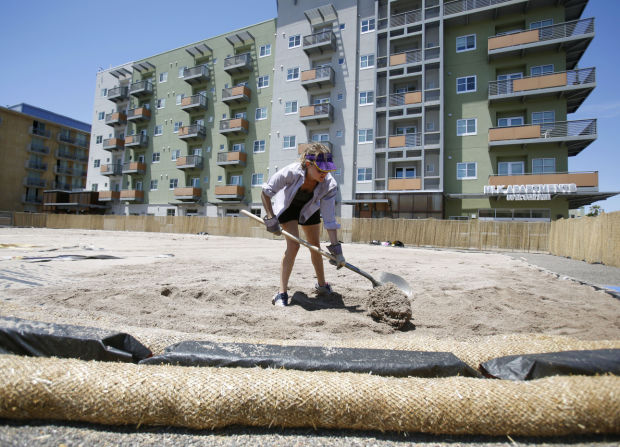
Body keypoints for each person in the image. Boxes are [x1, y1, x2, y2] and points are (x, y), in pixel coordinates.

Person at [261, 143, 346, 307]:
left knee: (315, 246)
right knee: (293, 246)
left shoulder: (329, 184)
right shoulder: (291, 172)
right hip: (289, 208)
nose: (324, 174)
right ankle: (281, 293)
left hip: (309, 208)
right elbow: (266, 191)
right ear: (308, 164)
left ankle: (322, 286)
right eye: (320, 170)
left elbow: (329, 218)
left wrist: (336, 249)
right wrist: (270, 218)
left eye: (327, 170)